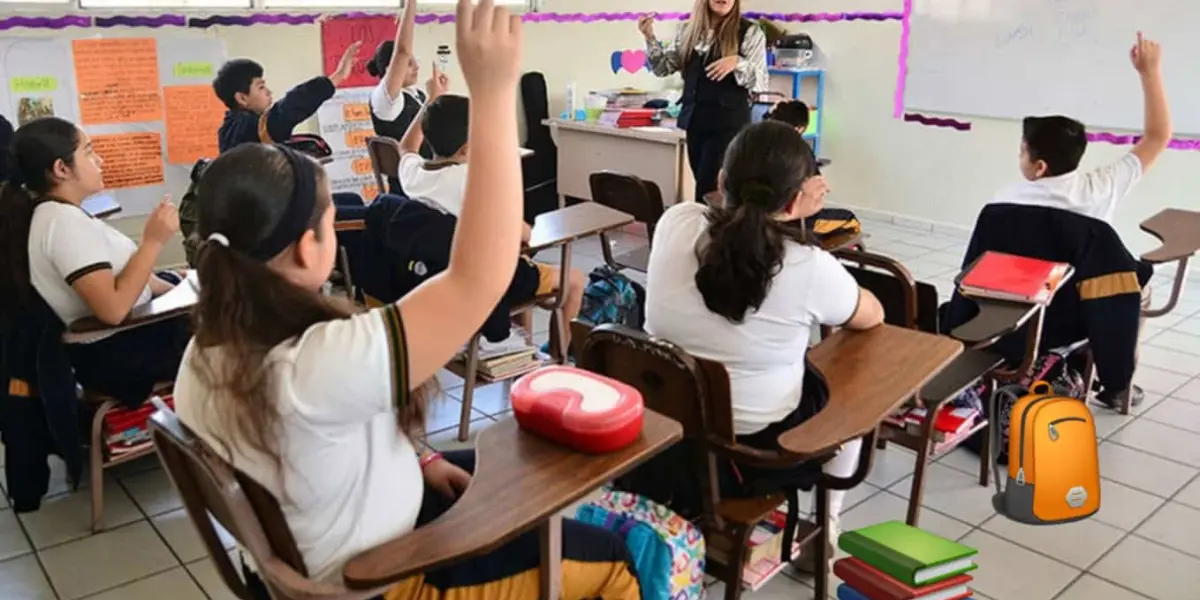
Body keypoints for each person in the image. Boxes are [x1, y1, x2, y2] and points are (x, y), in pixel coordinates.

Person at [173, 2, 640, 598]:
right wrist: (493, 91)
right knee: (614, 558)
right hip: (391, 577)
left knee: (498, 463)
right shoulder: (316, 362)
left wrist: (417, 464)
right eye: (327, 214)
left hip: (353, 528)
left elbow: (332, 432)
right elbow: (482, 276)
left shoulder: (203, 351)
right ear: (302, 247)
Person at [644, 120, 884, 543]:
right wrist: (801, 215)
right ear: (796, 200)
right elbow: (871, 315)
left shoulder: (676, 221)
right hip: (753, 451)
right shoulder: (807, 265)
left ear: (721, 179)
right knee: (856, 385)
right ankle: (827, 528)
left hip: (663, 421)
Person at [0, 117, 187, 407]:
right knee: (238, 330)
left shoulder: (63, 215)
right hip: (124, 355)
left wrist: (182, 282)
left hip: (131, 339)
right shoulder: (62, 224)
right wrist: (153, 241)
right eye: (88, 152)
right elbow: (112, 310)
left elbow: (127, 276)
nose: (99, 160)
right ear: (61, 169)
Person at [395, 77, 587, 350]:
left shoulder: (414, 175)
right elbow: (525, 234)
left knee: (522, 266)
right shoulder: (476, 184)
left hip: (438, 277)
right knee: (574, 279)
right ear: (466, 149)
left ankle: (524, 350)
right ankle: (561, 358)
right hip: (485, 282)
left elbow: (406, 148)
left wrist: (430, 102)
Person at [990, 32, 1170, 224]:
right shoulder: (1100, 190)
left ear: (1040, 167)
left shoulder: (1006, 200)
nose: (1019, 157)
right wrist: (1150, 72)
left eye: (1022, 152)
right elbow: (1157, 137)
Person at [639, 0, 768, 203]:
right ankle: (713, 230)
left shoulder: (749, 32)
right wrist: (649, 37)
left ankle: (709, 232)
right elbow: (662, 68)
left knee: (708, 188)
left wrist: (737, 62)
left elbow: (761, 82)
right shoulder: (688, 31)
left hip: (728, 123)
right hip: (696, 121)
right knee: (703, 184)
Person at [213, 43, 361, 153]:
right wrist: (337, 77)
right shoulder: (251, 127)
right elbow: (291, 105)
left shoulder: (228, 128)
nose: (269, 92)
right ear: (242, 98)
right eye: (261, 87)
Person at [368, 0, 432, 160]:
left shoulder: (417, 94)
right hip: (412, 178)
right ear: (390, 70)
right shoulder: (385, 100)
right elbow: (402, 52)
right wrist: (411, 5)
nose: (417, 67)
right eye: (409, 64)